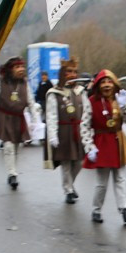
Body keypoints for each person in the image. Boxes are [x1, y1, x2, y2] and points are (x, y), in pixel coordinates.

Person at [80, 69, 126, 224]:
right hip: (101, 142)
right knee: (101, 182)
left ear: (114, 83)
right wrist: (89, 146)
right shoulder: (91, 101)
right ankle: (96, 210)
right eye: (103, 82)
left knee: (120, 179)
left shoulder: (120, 99)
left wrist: (124, 107)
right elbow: (84, 126)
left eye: (109, 81)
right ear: (98, 85)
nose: (106, 85)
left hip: (118, 141)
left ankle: (124, 209)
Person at [0, 56, 38, 190]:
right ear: (10, 69)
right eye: (17, 67)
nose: (21, 69)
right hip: (4, 117)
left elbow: (31, 102)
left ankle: (12, 170)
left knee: (15, 147)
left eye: (22, 67)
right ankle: (12, 174)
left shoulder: (24, 83)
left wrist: (35, 119)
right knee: (8, 146)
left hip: (18, 118)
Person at [45, 57, 86, 204]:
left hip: (79, 131)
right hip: (63, 131)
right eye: (69, 71)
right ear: (62, 73)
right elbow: (51, 115)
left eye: (75, 72)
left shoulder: (80, 91)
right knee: (66, 163)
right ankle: (68, 190)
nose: (72, 74)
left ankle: (70, 184)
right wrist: (52, 135)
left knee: (79, 162)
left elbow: (88, 112)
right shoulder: (54, 93)